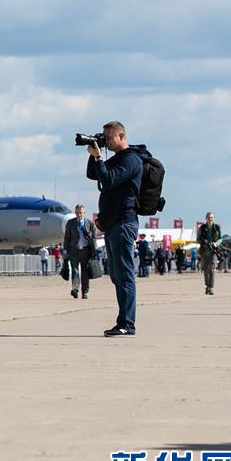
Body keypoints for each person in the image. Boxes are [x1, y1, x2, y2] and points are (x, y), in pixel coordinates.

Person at [86, 121, 145, 336]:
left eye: (109, 138)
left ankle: (127, 324)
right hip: (113, 224)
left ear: (122, 136)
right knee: (117, 276)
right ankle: (123, 322)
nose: (106, 141)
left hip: (124, 222)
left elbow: (109, 180)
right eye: (104, 137)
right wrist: (94, 154)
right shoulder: (116, 158)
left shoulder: (131, 159)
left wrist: (99, 158)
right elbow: (94, 175)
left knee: (125, 274)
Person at [63, 204, 96, 299]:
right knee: (75, 271)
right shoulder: (70, 223)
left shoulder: (90, 223)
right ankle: (75, 289)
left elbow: (94, 239)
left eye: (80, 212)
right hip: (73, 250)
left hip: (86, 251)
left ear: (84, 213)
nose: (79, 214)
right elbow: (67, 238)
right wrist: (65, 251)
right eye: (77, 212)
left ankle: (85, 291)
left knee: (85, 272)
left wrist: (94, 251)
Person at [196, 212, 222, 295]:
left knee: (212, 270)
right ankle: (207, 286)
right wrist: (203, 241)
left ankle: (210, 287)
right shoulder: (202, 228)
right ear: (206, 218)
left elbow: (220, 239)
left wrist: (216, 243)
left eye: (211, 217)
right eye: (208, 217)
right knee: (206, 271)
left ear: (213, 218)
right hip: (204, 251)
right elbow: (198, 239)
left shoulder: (217, 227)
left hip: (213, 251)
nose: (210, 219)